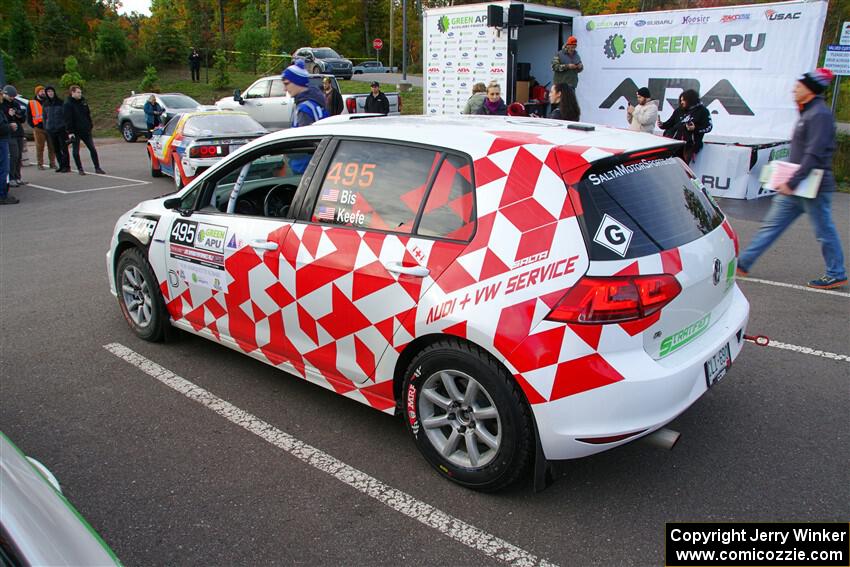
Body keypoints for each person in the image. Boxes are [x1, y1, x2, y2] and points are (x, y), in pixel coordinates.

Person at [737, 68, 846, 290]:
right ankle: (744, 263)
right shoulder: (808, 112)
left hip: (812, 186)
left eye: (799, 86)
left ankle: (836, 273)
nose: (794, 89)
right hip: (796, 186)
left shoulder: (819, 115)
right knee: (771, 226)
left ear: (810, 90)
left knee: (824, 231)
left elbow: (814, 154)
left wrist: (792, 181)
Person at [657, 89, 711, 163]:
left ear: (691, 100)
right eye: (681, 100)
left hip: (689, 145)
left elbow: (708, 127)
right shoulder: (679, 110)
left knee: (683, 166)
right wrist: (662, 124)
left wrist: (695, 129)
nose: (681, 102)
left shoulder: (703, 111)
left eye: (684, 100)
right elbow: (670, 123)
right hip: (674, 143)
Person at [63, 85, 105, 175]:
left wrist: (90, 125)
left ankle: (97, 167)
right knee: (76, 151)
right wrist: (70, 132)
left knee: (92, 149)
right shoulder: (68, 104)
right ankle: (80, 169)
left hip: (85, 130)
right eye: (78, 92)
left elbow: (87, 114)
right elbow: (67, 119)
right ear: (72, 92)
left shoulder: (83, 102)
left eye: (80, 92)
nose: (80, 94)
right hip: (75, 131)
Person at [1, 85, 26, 187]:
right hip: (10, 134)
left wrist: (18, 115)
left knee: (19, 156)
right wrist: (9, 115)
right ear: (5, 94)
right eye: (10, 96)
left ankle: (17, 176)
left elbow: (22, 119)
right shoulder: (2, 105)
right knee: (13, 155)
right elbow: (3, 120)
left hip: (18, 132)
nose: (12, 98)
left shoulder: (15, 103)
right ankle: (11, 178)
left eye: (13, 96)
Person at [28, 85, 56, 170]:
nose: (43, 92)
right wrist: (34, 126)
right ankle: (40, 164)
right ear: (37, 93)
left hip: (49, 127)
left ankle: (53, 163)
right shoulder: (32, 103)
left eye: (44, 91)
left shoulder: (48, 101)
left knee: (52, 146)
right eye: (41, 91)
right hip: (39, 128)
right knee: (40, 147)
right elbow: (28, 116)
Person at [43, 85, 70, 173]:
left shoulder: (60, 102)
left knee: (64, 148)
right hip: (51, 129)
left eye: (51, 91)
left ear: (54, 92)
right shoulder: (45, 104)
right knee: (56, 149)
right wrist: (46, 127)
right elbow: (44, 117)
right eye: (48, 92)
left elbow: (65, 115)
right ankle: (61, 165)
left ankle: (66, 166)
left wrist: (66, 127)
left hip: (61, 128)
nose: (50, 93)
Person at [0, 98, 18, 204]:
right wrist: (10, 126)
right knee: (4, 169)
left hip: (3, 140)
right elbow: (1, 128)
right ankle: (2, 195)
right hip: (1, 141)